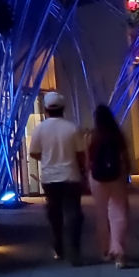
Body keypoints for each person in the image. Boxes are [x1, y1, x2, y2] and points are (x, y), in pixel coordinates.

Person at [27, 89, 85, 263]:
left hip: (50, 177)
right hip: (71, 175)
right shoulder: (72, 128)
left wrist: (46, 158)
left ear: (46, 109)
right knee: (74, 213)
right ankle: (75, 250)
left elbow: (33, 152)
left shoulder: (40, 129)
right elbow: (80, 153)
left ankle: (58, 248)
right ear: (63, 108)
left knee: (54, 214)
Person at [88, 102, 131, 266]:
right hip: (116, 176)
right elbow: (125, 157)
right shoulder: (118, 135)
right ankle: (119, 251)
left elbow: (88, 160)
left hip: (97, 178)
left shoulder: (92, 136)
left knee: (102, 214)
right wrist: (126, 175)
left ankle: (105, 250)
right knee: (119, 212)